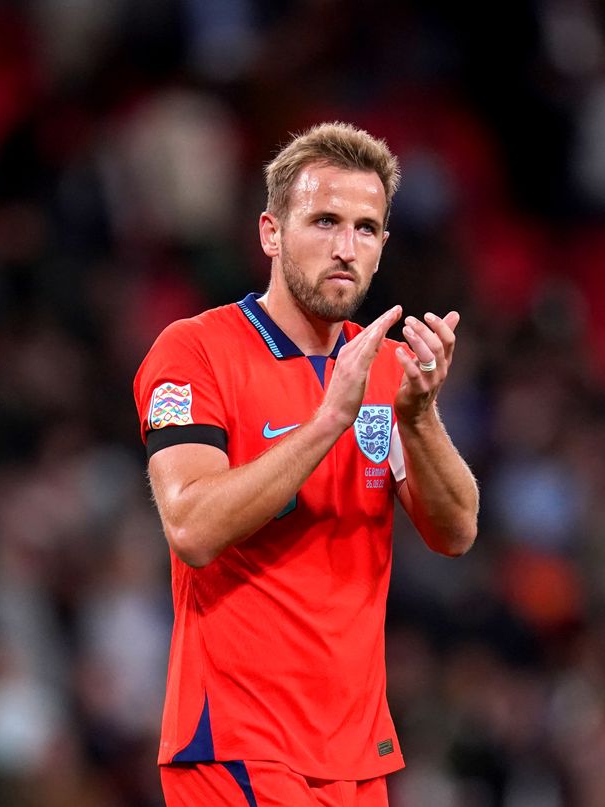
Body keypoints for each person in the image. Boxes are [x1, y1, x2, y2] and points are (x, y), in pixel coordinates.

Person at [133, 121, 479, 807]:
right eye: (324, 221)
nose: (345, 248)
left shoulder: (385, 370)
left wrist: (418, 416)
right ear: (271, 232)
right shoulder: (196, 351)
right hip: (237, 743)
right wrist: (327, 421)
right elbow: (192, 527)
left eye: (366, 228)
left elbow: (457, 530)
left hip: (355, 754)